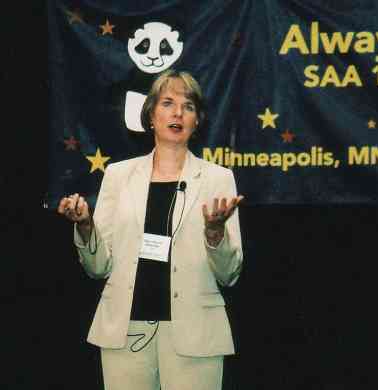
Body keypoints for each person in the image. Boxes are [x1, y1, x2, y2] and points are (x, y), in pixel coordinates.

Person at [58, 69, 244, 390]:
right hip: (125, 332)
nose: (177, 113)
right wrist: (86, 228)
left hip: (195, 333)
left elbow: (230, 274)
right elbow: (97, 267)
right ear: (151, 116)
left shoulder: (218, 179)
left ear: (197, 120)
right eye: (168, 103)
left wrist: (215, 234)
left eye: (188, 106)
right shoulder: (118, 175)